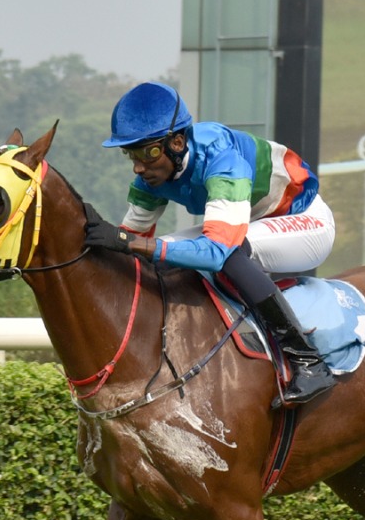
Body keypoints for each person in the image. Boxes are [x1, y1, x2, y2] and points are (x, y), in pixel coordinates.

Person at [82, 81, 337, 405]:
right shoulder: (151, 177)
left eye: (148, 152)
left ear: (176, 142)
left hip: (304, 220)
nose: (138, 166)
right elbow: (131, 240)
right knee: (160, 255)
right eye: (130, 153)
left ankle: (308, 361)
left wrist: (134, 244)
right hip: (248, 220)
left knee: (228, 255)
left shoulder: (222, 158)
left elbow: (217, 252)